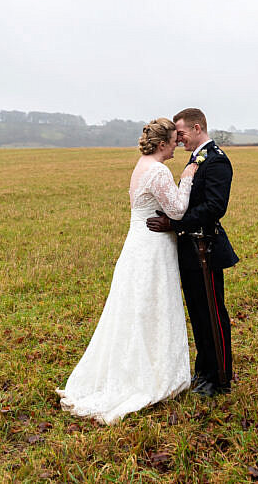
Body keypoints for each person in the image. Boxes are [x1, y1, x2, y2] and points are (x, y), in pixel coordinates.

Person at [56, 118, 198, 425]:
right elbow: (176, 211)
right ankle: (147, 375)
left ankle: (136, 367)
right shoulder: (158, 170)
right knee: (151, 307)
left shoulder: (141, 165)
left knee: (134, 309)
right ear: (163, 145)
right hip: (152, 247)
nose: (177, 145)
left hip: (137, 244)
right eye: (174, 141)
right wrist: (186, 178)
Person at [147, 108, 239, 397]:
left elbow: (214, 207)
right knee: (198, 315)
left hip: (206, 249)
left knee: (213, 313)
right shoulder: (197, 158)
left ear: (197, 128)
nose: (178, 139)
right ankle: (204, 370)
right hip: (190, 250)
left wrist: (174, 223)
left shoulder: (217, 162)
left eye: (182, 133)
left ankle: (220, 377)